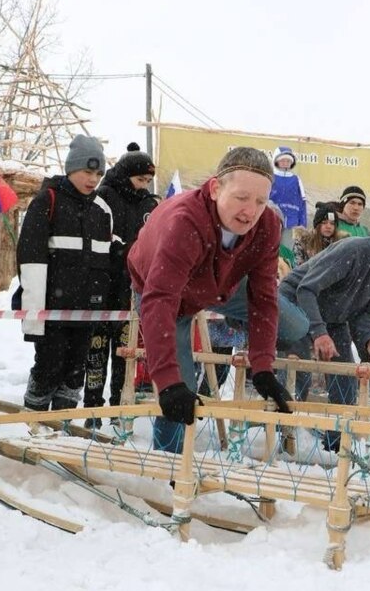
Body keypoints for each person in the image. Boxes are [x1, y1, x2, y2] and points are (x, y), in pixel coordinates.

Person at [127, 146, 308, 452]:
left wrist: (262, 368)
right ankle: (169, 465)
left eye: (260, 201)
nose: (250, 211)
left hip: (219, 283)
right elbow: (159, 300)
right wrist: (169, 383)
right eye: (241, 198)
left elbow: (263, 298)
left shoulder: (266, 226)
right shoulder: (184, 222)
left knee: (296, 325)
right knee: (178, 389)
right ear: (215, 189)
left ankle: (237, 321)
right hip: (163, 289)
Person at [280, 208, 370, 450]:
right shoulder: (354, 250)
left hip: (334, 317)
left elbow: (367, 312)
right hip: (295, 305)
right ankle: (283, 437)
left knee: (345, 378)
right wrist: (319, 333)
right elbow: (306, 289)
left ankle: (336, 445)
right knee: (298, 373)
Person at [14, 135, 116, 412]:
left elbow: (109, 261)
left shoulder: (102, 210)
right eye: (87, 171)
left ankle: (62, 426)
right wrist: (34, 314)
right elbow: (30, 258)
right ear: (71, 169)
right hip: (52, 310)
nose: (92, 179)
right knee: (49, 368)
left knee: (74, 373)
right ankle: (33, 422)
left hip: (87, 310)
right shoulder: (47, 201)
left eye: (98, 173)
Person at [84, 143, 158, 417]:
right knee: (96, 352)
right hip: (104, 286)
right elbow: (100, 238)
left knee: (124, 354)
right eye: (140, 179)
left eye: (148, 181)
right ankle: (92, 409)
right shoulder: (103, 197)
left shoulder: (149, 203)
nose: (143, 186)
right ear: (126, 174)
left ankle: (118, 408)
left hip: (131, 289)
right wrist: (124, 250)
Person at [268, 146, 307, 249]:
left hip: (292, 223)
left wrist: (302, 223)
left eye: (288, 161)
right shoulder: (271, 177)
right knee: (270, 249)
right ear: (276, 161)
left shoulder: (296, 179)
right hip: (272, 221)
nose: (286, 163)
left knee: (288, 251)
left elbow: (302, 202)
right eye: (283, 160)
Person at [293, 201, 345, 266]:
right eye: (324, 223)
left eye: (332, 223)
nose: (328, 226)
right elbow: (298, 268)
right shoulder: (303, 242)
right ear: (317, 225)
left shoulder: (341, 244)